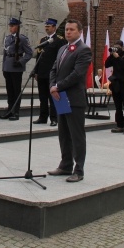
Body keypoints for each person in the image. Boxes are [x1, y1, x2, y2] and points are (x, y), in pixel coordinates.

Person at [46, 19, 91, 183]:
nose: (68, 32)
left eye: (72, 29)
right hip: (60, 97)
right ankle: (65, 165)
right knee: (64, 133)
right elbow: (53, 69)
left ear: (79, 32)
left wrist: (58, 86)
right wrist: (52, 85)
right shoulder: (62, 49)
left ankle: (78, 170)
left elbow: (78, 74)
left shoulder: (84, 50)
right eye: (66, 30)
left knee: (76, 135)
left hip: (73, 99)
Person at [32, 18, 66, 126]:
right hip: (42, 73)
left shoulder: (60, 40)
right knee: (42, 97)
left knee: (53, 97)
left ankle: (54, 118)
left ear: (54, 27)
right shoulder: (43, 40)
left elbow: (61, 58)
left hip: (52, 74)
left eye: (49, 26)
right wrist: (36, 71)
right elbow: (38, 57)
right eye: (46, 26)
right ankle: (43, 117)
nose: (47, 28)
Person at [1, 17, 32, 121]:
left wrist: (21, 62)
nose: (11, 28)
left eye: (13, 26)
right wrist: (3, 67)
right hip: (8, 66)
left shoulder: (22, 39)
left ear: (18, 27)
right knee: (9, 91)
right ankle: (9, 110)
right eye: (10, 26)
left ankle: (16, 111)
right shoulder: (8, 38)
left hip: (16, 67)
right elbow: (5, 53)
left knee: (16, 90)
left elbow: (29, 53)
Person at [105, 40, 124, 134]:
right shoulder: (114, 56)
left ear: (122, 47)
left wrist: (118, 58)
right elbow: (106, 65)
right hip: (116, 84)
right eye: (115, 47)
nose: (116, 48)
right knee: (118, 106)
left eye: (117, 47)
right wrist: (111, 55)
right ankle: (119, 125)